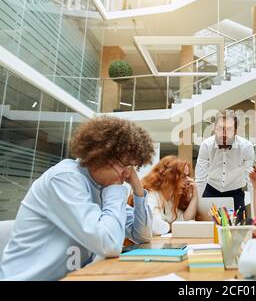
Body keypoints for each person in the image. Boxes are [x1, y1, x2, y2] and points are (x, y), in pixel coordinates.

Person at [0, 116, 155, 280]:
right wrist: (117, 189)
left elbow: (142, 236)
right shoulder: (65, 179)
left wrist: (138, 190)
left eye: (132, 166)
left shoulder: (104, 186)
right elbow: (109, 244)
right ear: (101, 155)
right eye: (125, 164)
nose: (128, 173)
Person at [195, 110, 254, 220]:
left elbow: (252, 182)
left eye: (229, 129)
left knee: (239, 230)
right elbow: (200, 180)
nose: (224, 133)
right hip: (211, 190)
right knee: (207, 228)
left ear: (235, 131)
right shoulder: (206, 145)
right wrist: (196, 210)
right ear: (214, 128)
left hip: (236, 194)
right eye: (220, 128)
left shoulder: (246, 147)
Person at [142, 156, 198, 235]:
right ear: (170, 177)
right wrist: (174, 226)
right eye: (183, 176)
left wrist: (194, 197)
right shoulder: (151, 194)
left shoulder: (171, 199)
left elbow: (185, 222)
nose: (188, 181)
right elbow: (155, 227)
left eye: (188, 176)